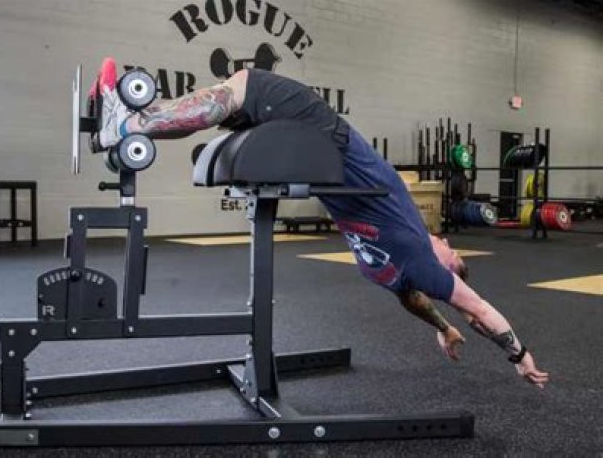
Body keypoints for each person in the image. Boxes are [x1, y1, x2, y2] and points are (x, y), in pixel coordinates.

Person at [91, 57, 549, 388]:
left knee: (244, 85)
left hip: (330, 137)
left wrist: (520, 355)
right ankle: (133, 119)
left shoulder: (419, 260)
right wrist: (442, 326)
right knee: (231, 103)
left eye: (453, 253)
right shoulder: (389, 270)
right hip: (326, 150)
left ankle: (128, 124)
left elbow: (478, 309)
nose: (447, 241)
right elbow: (412, 300)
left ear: (446, 270)